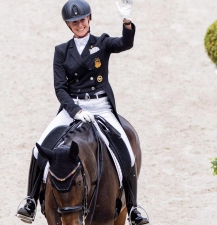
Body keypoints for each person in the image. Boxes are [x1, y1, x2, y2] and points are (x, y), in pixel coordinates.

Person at [16, 0, 149, 224]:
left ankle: (133, 207)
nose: (79, 24)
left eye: (82, 20)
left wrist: (126, 21)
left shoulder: (103, 42)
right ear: (69, 25)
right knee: (39, 148)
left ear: (89, 19)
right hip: (73, 108)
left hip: (101, 106)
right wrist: (75, 110)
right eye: (74, 22)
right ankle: (29, 200)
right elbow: (60, 88)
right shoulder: (61, 51)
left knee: (125, 148)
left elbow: (126, 43)